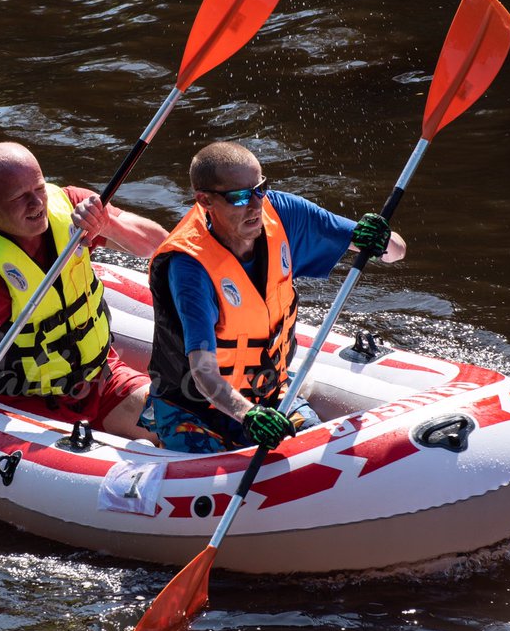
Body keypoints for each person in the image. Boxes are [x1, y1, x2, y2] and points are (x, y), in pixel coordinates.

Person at [0, 142, 169, 465]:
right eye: (20, 197)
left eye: (39, 188)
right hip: (23, 403)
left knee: (185, 426)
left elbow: (159, 244)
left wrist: (107, 225)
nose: (37, 203)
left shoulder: (72, 206)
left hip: (102, 379)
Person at [143, 141, 406, 453]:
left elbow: (397, 252)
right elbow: (203, 372)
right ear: (205, 200)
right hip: (196, 409)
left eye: (260, 188)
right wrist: (248, 415)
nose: (255, 205)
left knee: (313, 456)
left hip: (271, 393)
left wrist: (381, 240)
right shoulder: (189, 266)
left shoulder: (283, 213)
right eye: (240, 197)